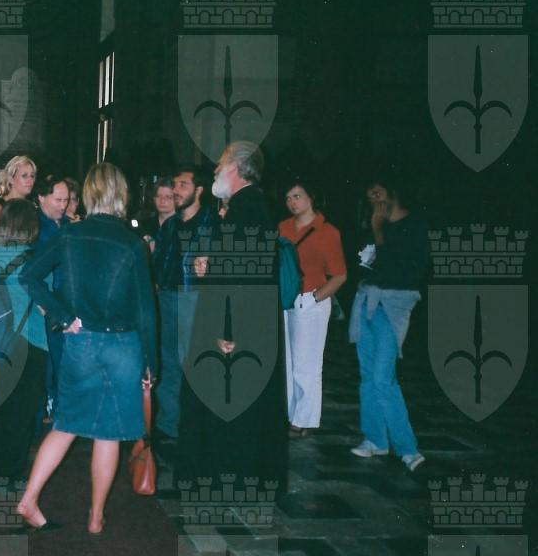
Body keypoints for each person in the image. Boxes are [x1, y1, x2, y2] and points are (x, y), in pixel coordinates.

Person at [16, 163, 157, 535]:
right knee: (107, 433)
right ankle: (95, 517)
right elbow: (145, 310)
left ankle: (29, 498)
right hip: (123, 346)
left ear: (90, 195)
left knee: (65, 425)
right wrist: (151, 362)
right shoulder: (132, 243)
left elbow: (29, 276)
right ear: (121, 195)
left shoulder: (70, 234)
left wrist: (63, 316)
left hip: (80, 340)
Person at [180, 141, 285, 485]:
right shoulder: (245, 206)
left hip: (235, 327)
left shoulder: (248, 208)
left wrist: (229, 330)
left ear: (236, 168)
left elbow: (246, 278)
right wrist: (209, 264)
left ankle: (230, 477)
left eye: (221, 163)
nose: (215, 170)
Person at [349, 174, 428, 471]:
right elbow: (366, 265)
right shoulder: (373, 226)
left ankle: (407, 448)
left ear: (392, 192)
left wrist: (378, 229)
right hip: (367, 302)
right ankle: (375, 439)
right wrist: (373, 231)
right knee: (368, 375)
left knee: (383, 377)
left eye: (379, 193)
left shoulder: (413, 224)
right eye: (370, 196)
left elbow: (399, 268)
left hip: (393, 306)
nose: (375, 200)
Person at [0, 200, 48, 482]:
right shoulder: (34, 260)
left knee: (0, 404)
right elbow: (46, 301)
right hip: (30, 340)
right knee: (22, 412)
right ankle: (10, 473)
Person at [151, 166, 217, 457]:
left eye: (183, 185)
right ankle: (169, 426)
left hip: (193, 298)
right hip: (165, 296)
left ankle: (195, 428)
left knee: (191, 362)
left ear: (199, 190)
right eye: (175, 185)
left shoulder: (212, 223)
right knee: (166, 362)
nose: (176, 190)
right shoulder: (171, 225)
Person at [279, 180, 347, 438]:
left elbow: (339, 275)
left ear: (311, 198)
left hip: (310, 301)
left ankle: (302, 420)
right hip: (286, 300)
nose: (292, 202)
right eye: (288, 198)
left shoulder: (327, 232)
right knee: (287, 363)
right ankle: (288, 414)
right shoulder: (283, 227)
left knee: (306, 365)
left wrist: (315, 298)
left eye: (297, 196)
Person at [34, 175, 70, 421]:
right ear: (41, 198)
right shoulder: (35, 227)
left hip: (67, 301)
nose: (63, 205)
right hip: (45, 302)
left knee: (64, 361)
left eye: (66, 200)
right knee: (46, 362)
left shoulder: (68, 225)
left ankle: (60, 411)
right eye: (58, 200)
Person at [0, 155, 37, 249]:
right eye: (24, 176)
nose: (30, 181)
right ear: (11, 179)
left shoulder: (31, 207)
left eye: (32, 176)